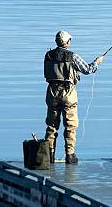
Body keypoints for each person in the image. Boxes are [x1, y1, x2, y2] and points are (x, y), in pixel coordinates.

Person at [43, 30, 103, 164]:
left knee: (52, 125)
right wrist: (97, 62)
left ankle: (49, 155)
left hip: (52, 92)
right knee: (70, 125)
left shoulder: (48, 55)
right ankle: (70, 155)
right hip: (68, 93)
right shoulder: (72, 56)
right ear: (67, 42)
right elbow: (88, 70)